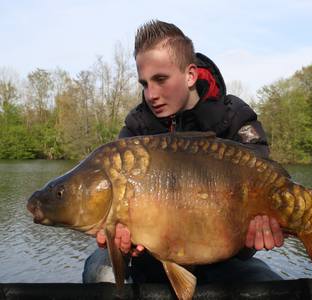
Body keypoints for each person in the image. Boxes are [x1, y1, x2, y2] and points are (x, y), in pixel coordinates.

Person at [83, 19, 284, 285]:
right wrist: (123, 243)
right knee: (99, 269)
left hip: (222, 262)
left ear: (191, 75)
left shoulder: (234, 120)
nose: (151, 94)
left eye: (161, 79)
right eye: (144, 83)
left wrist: (253, 239)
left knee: (272, 286)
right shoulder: (135, 131)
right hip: (150, 262)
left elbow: (263, 199)